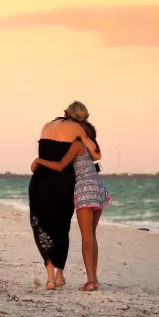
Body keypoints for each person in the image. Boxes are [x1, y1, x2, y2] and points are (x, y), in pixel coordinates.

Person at [27, 101, 101, 290]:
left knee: (42, 228)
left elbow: (49, 154)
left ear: (66, 112)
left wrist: (38, 161)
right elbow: (95, 154)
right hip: (65, 184)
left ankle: (51, 278)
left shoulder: (47, 126)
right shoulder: (77, 130)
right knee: (62, 228)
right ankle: (63, 276)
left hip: (40, 182)